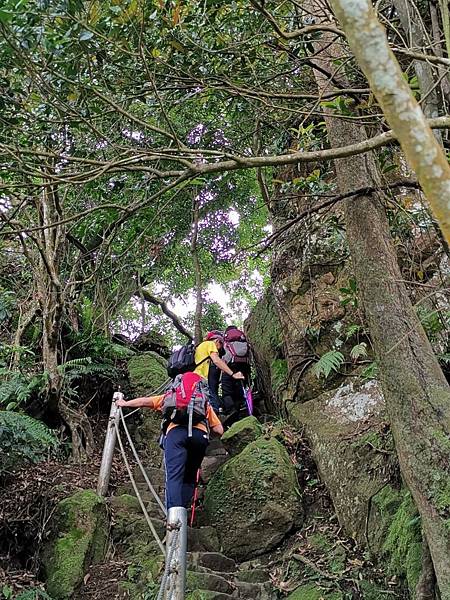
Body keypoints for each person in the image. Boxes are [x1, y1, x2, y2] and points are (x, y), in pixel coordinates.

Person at [116, 376, 224, 510]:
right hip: (199, 437)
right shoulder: (202, 402)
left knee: (174, 477)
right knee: (190, 477)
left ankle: (174, 520)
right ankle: (183, 512)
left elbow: (144, 401)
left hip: (175, 434)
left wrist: (124, 403)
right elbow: (219, 430)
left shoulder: (170, 397)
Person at [221, 325, 251, 427]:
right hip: (244, 365)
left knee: (227, 390)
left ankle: (231, 411)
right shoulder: (242, 337)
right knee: (240, 389)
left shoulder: (227, 339)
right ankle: (244, 409)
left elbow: (225, 355)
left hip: (230, 365)